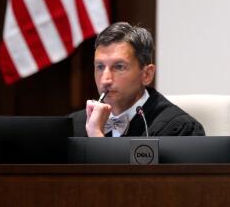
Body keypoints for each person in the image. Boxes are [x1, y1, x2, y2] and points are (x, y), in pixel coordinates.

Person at [70, 22, 205, 137]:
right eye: (100, 67)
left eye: (119, 67)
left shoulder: (180, 130)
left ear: (147, 74)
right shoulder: (72, 126)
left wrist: (96, 137)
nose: (105, 79)